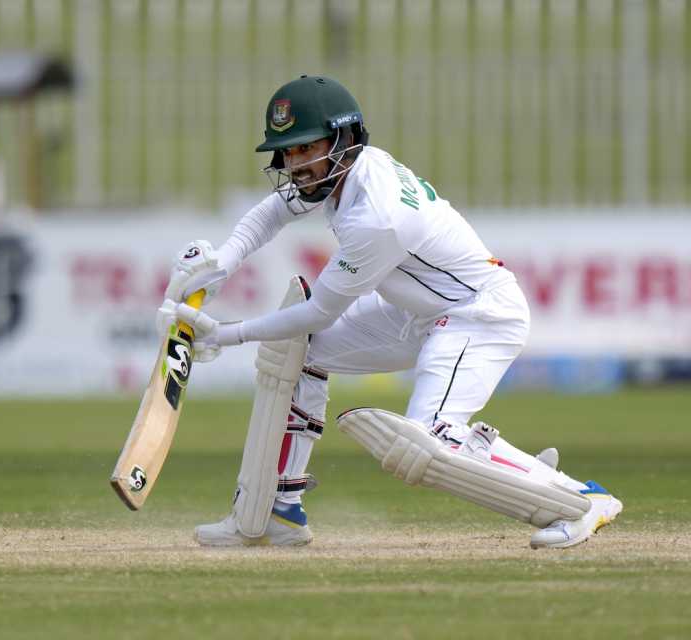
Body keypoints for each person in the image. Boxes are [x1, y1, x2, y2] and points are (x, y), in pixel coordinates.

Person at [157, 75, 623, 549]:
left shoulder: (376, 217)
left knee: (431, 442)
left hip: (477, 315)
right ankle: (279, 510)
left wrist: (224, 335)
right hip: (414, 311)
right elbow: (271, 213)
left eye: (306, 149)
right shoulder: (342, 171)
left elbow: (318, 311)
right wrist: (223, 262)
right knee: (300, 355)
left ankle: (582, 499)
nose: (296, 165)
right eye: (289, 153)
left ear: (344, 139)